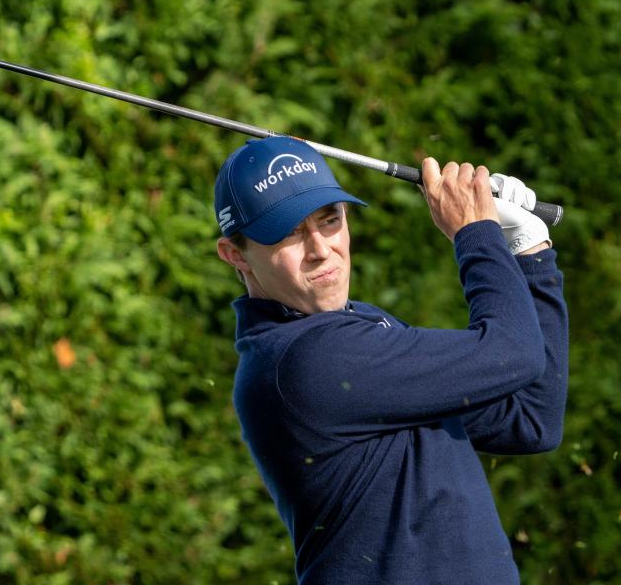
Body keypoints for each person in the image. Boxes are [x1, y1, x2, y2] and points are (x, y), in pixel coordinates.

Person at [214, 136, 567, 584]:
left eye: (329, 220)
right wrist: (475, 232)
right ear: (234, 254)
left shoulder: (364, 327)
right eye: (289, 233)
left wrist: (529, 251)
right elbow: (512, 353)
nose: (321, 249)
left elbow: (531, 419)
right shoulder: (303, 361)